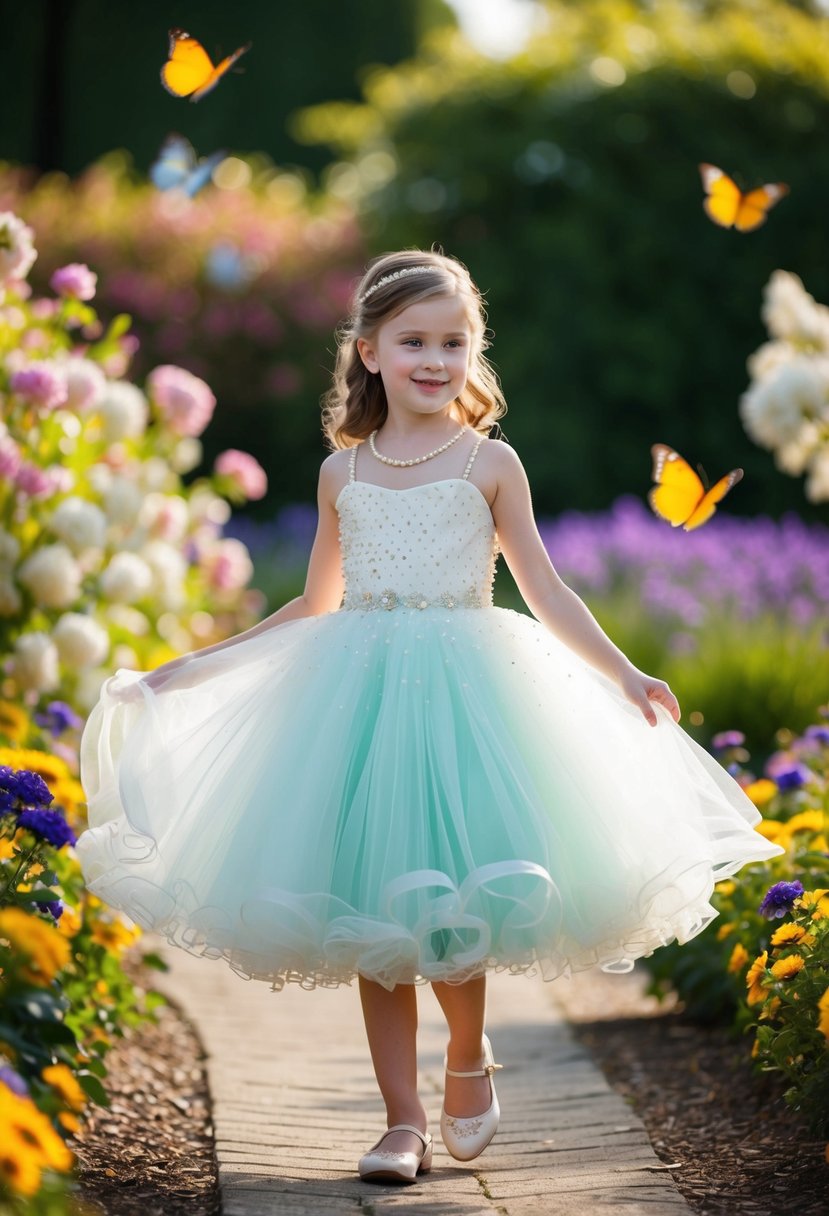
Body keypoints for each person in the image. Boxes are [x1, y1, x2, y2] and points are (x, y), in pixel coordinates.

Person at [76, 249, 783, 1185]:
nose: (435, 359)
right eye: (414, 341)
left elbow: (546, 589)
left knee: (454, 903)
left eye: (454, 342)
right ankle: (399, 1119)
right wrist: (190, 671)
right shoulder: (344, 474)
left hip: (466, 698)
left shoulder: (488, 462)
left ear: (472, 354)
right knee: (374, 916)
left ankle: (465, 1056)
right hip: (357, 705)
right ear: (368, 351)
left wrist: (623, 671)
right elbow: (310, 604)